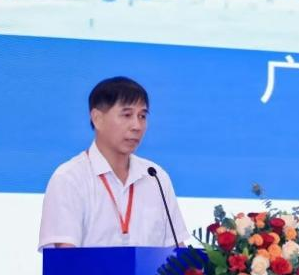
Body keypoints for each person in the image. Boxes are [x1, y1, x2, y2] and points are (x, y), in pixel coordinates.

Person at [38, 76, 191, 250]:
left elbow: (177, 251)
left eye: (142, 116)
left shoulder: (155, 177)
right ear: (97, 118)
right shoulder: (69, 178)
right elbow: (66, 257)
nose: (137, 126)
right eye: (127, 115)